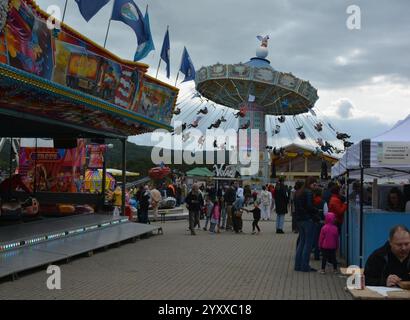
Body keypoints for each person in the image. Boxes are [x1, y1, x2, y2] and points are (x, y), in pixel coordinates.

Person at [294, 176, 320, 272]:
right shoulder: (308, 192)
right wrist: (316, 211)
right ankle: (305, 266)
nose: (315, 186)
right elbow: (309, 206)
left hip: (299, 220)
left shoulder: (298, 192)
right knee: (308, 244)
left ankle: (297, 265)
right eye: (314, 184)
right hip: (308, 220)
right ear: (310, 184)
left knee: (301, 242)